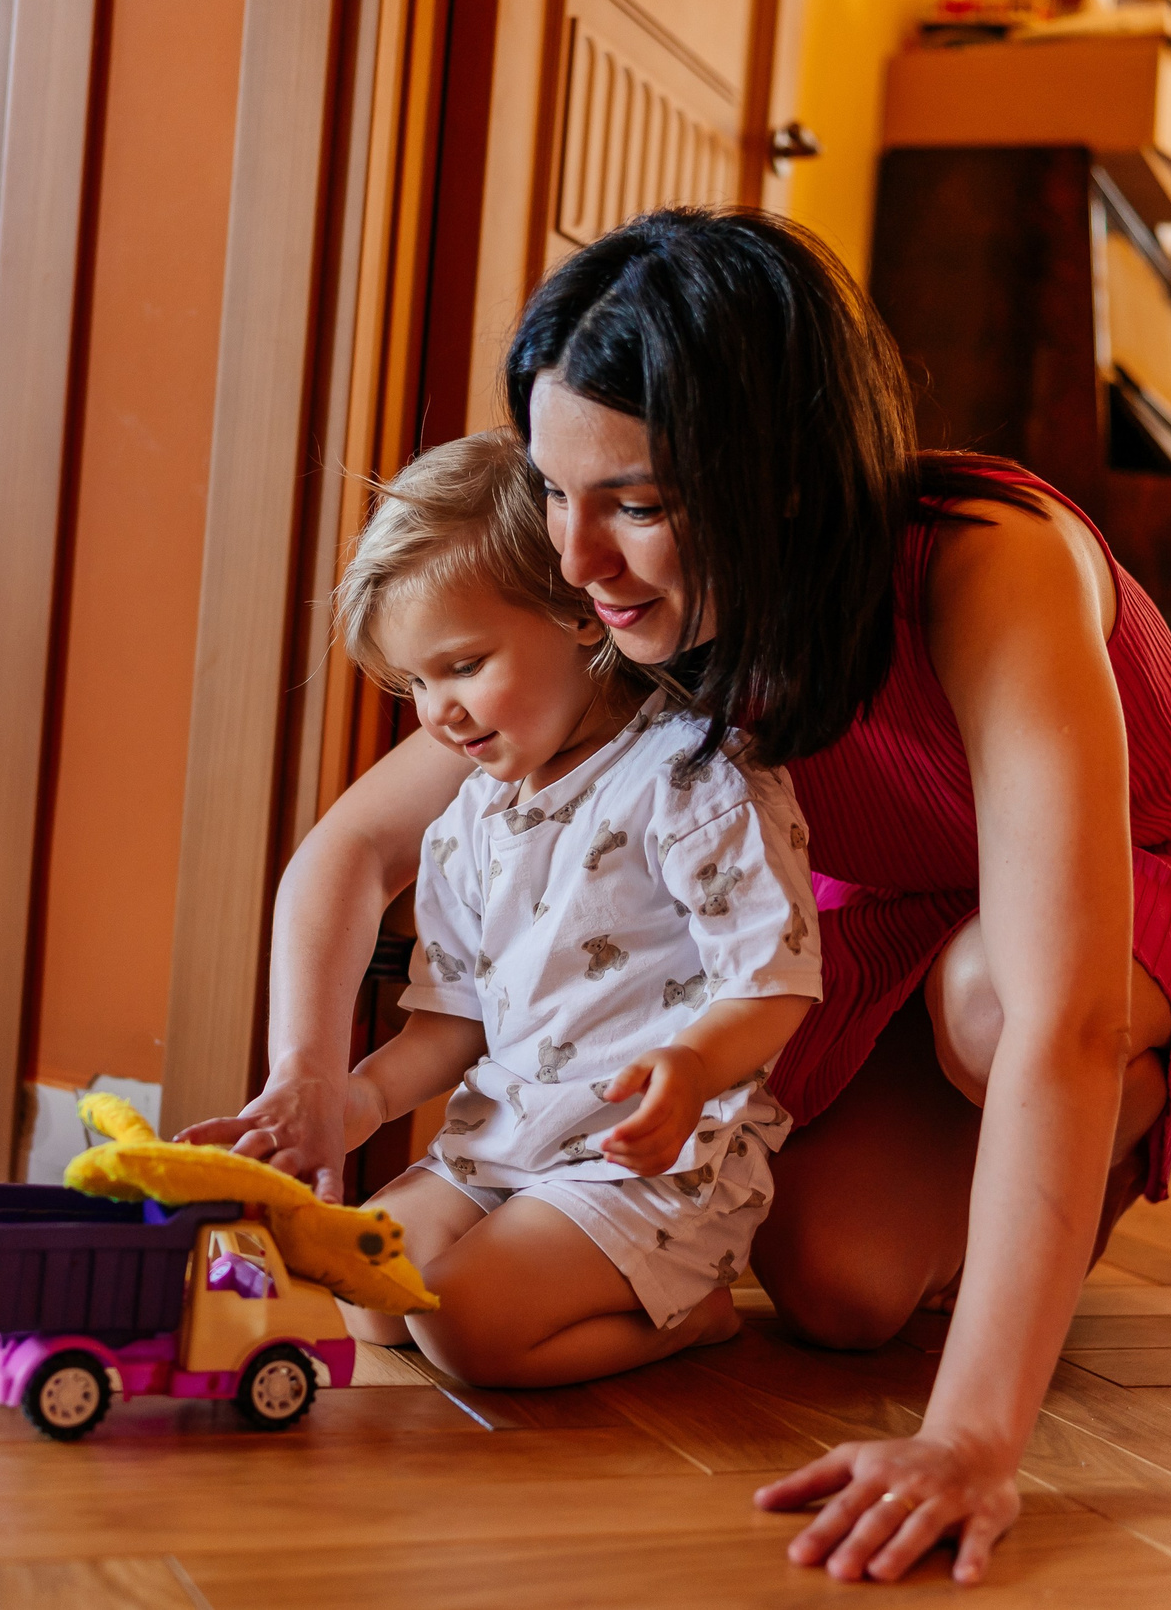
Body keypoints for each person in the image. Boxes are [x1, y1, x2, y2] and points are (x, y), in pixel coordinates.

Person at [182, 208, 1171, 1586]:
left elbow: (1059, 1013)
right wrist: (310, 1076)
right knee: (837, 1288)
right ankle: (1016, 1191)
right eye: (553, 489)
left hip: (1150, 892)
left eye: (634, 502)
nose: (575, 560)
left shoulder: (989, 559)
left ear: (775, 481)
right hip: (898, 908)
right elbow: (350, 851)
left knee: (989, 1004)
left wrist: (968, 1437)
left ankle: (1096, 1164)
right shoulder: (634, 603)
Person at [323, 431, 819, 1386]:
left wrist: (692, 1063)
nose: (436, 712)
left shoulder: (693, 777)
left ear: (580, 617)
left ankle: (691, 1316)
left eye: (464, 665)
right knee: (366, 1289)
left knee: (463, 1328)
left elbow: (776, 980)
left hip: (651, 1163)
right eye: (416, 681)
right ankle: (560, 1280)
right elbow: (453, 1021)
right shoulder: (467, 821)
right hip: (508, 1140)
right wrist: (366, 1096)